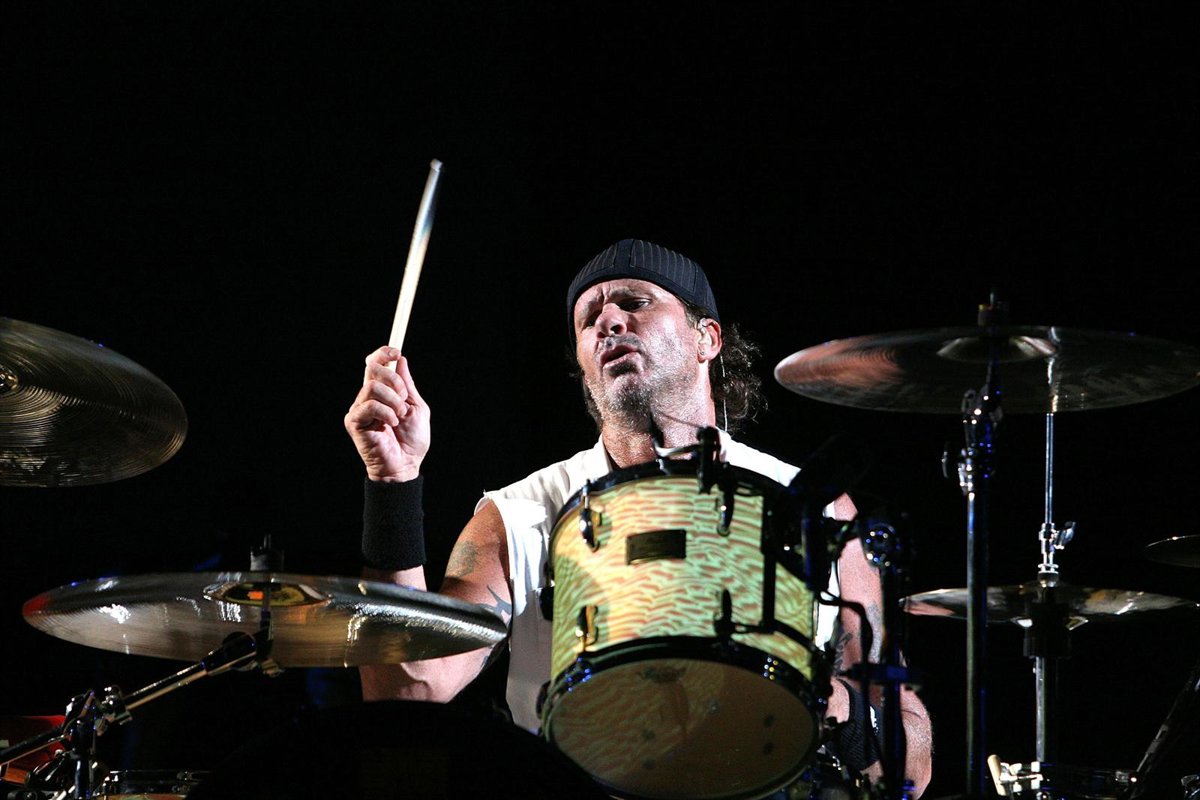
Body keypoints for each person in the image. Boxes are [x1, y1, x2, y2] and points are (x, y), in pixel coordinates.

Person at [344, 238, 933, 798]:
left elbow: (913, 767)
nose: (608, 320)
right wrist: (393, 484)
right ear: (582, 363)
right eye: (588, 318)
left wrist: (815, 694)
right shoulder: (521, 514)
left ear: (707, 338)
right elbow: (406, 691)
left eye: (635, 302)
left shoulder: (816, 508)